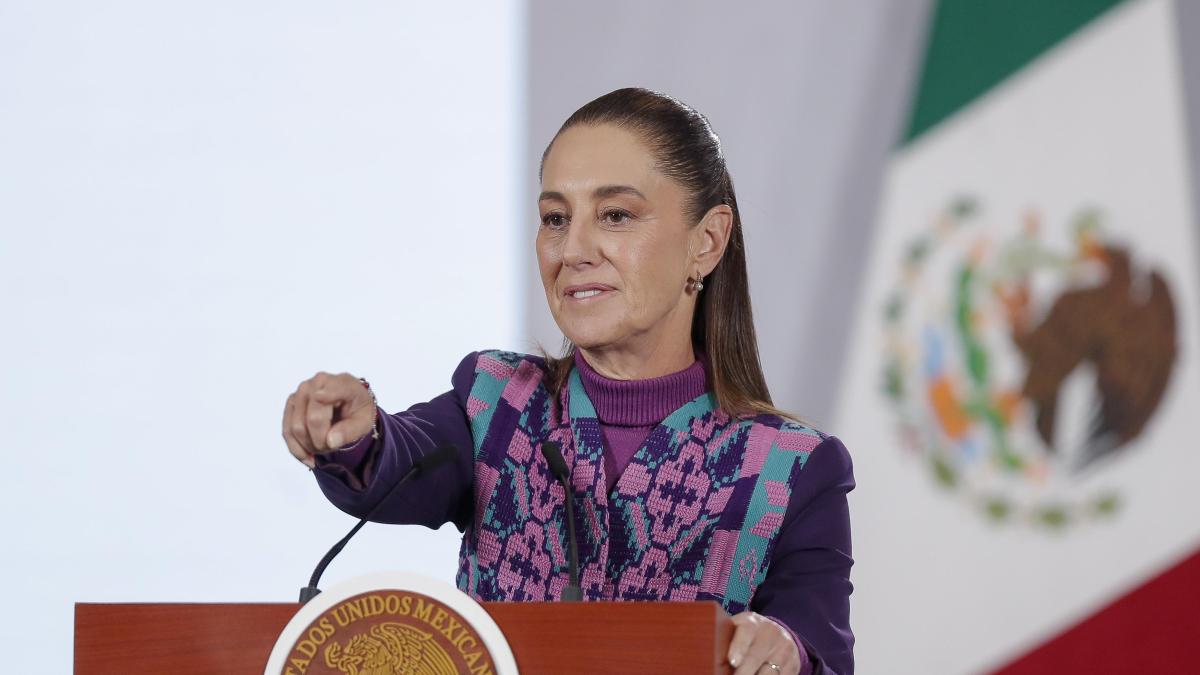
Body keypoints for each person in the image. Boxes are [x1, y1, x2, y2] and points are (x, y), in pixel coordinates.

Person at [282, 88, 855, 675]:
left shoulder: (794, 469)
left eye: (616, 216)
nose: (573, 250)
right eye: (556, 218)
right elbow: (397, 459)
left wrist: (784, 650)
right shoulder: (495, 404)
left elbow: (817, 652)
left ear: (706, 242)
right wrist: (353, 437)